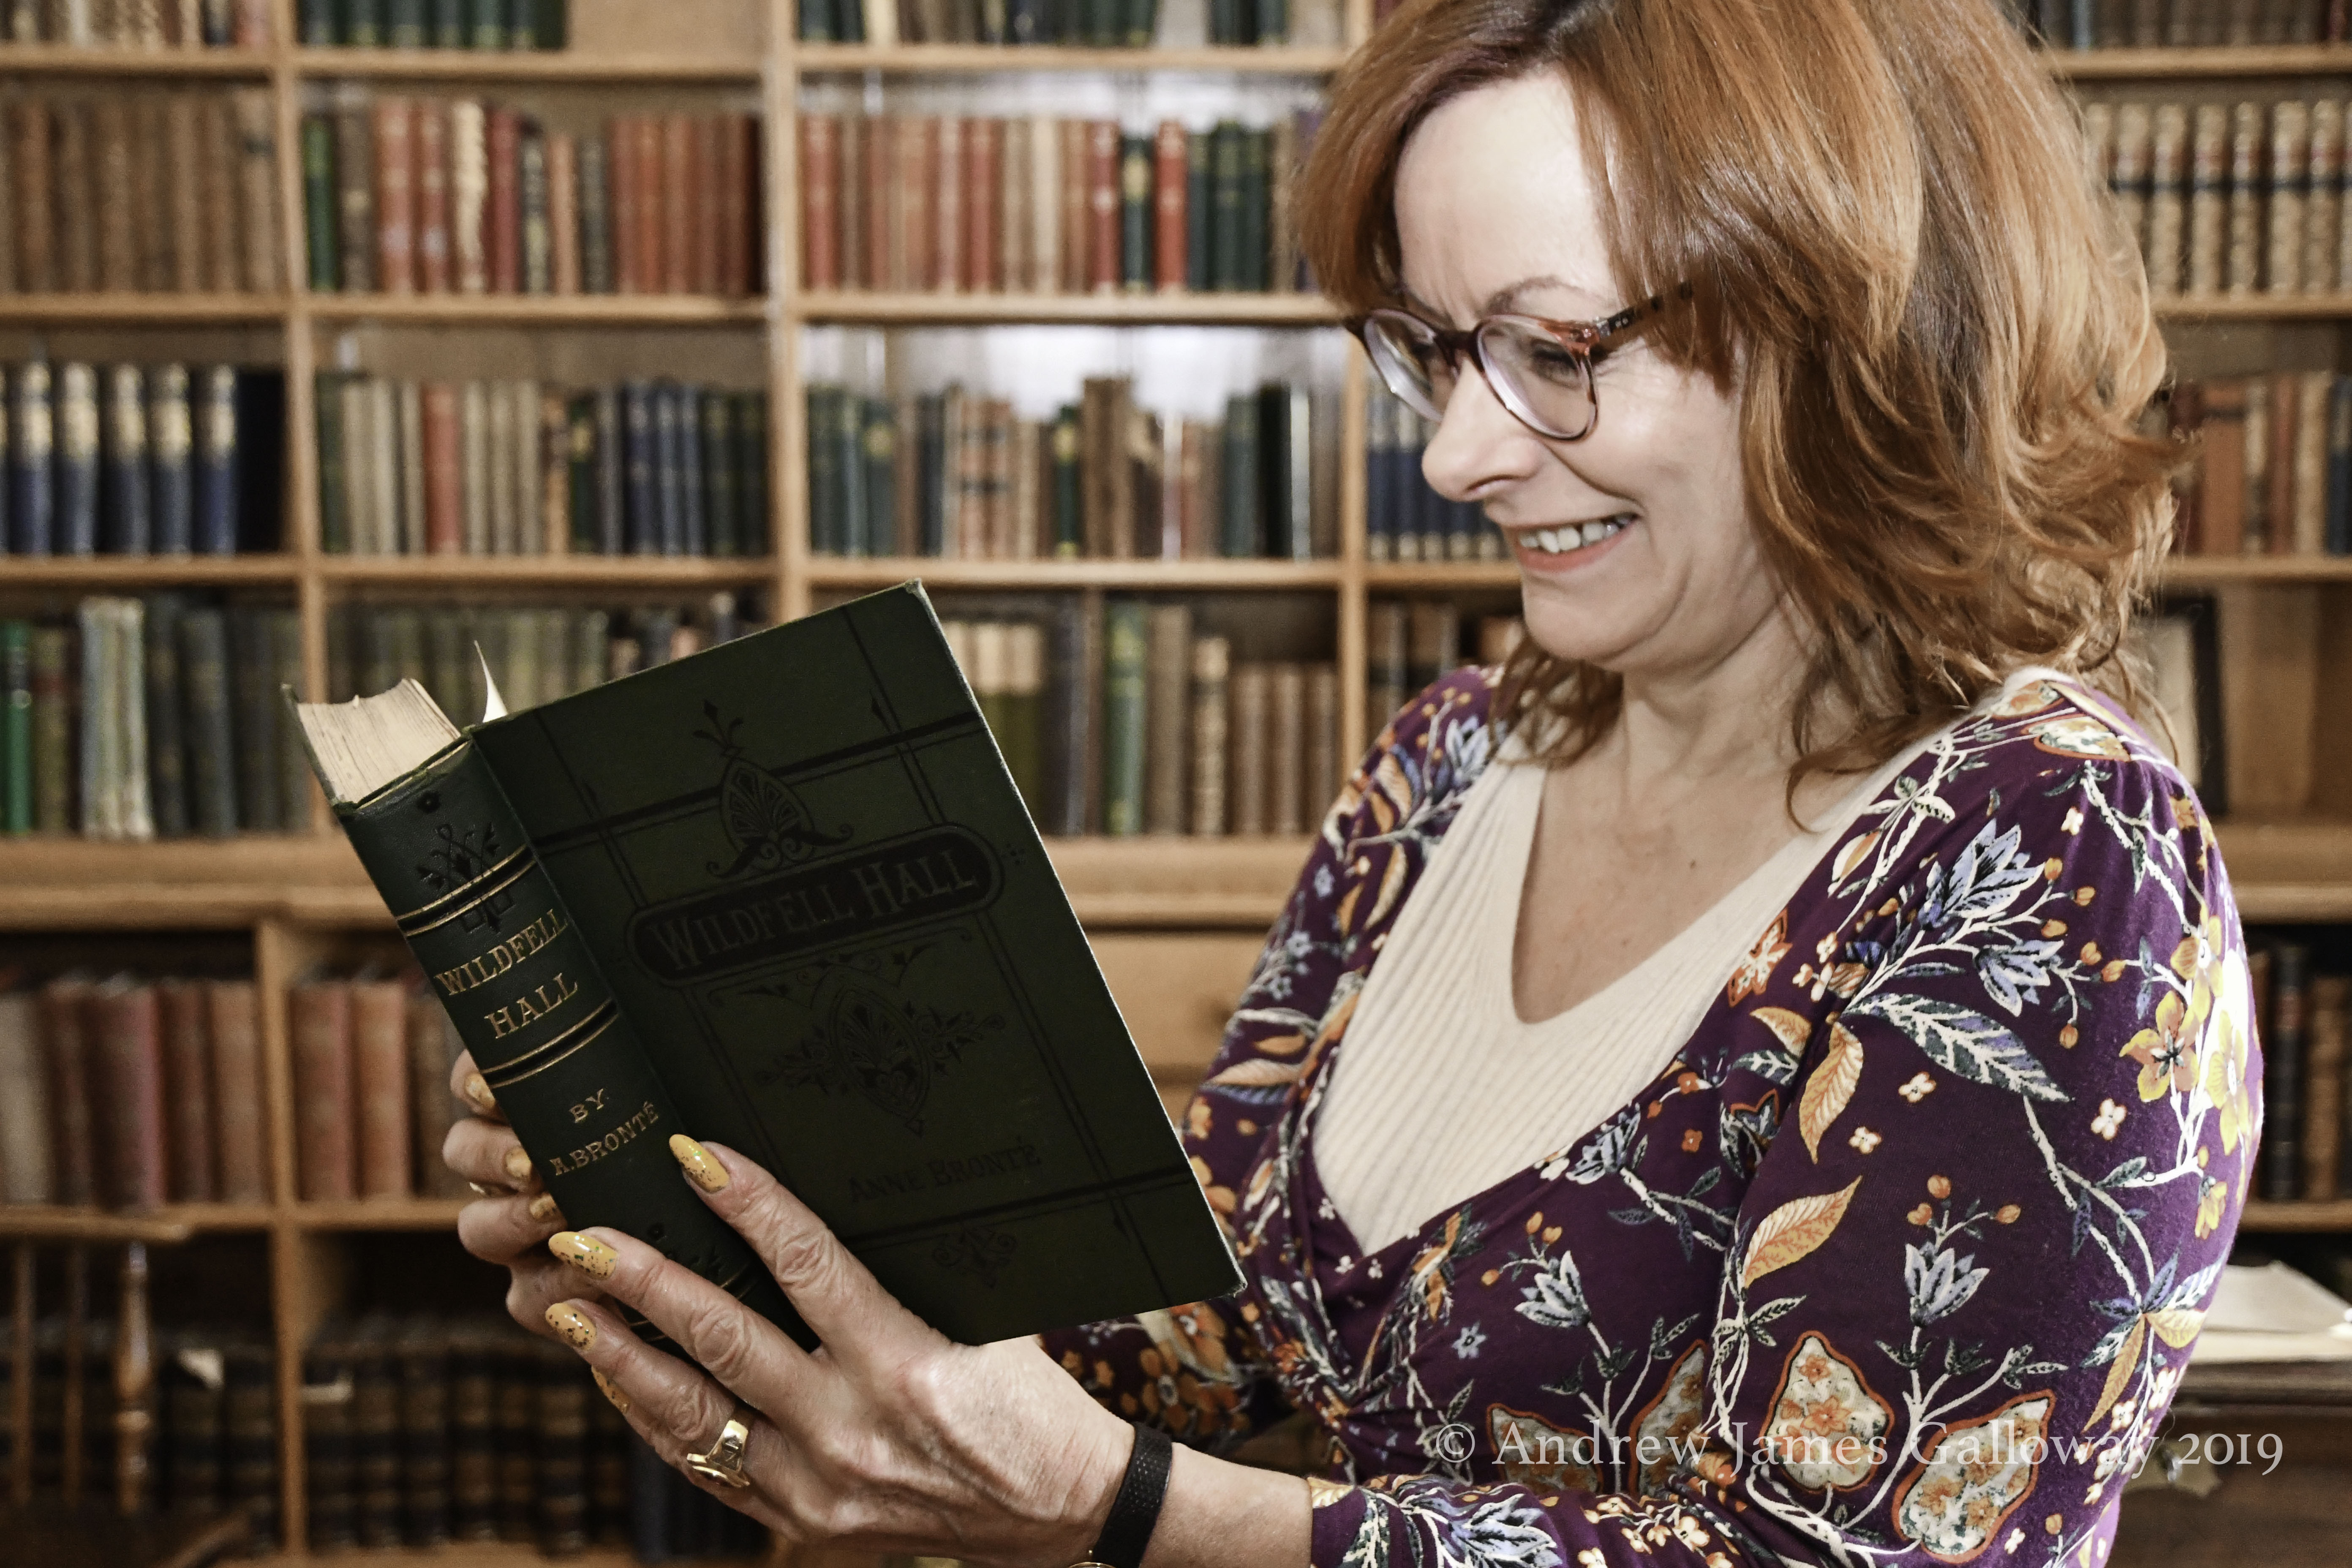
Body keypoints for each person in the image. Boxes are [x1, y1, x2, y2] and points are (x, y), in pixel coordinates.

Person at [438, 1, 2259, 1563]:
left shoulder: (2045, 853)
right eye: (1440, 352)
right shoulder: (1449, 763)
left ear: (1852, 314)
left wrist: (1128, 1516)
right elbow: (1223, 1355)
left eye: (1557, 350)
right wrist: (712, 1226)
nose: (1464, 453)